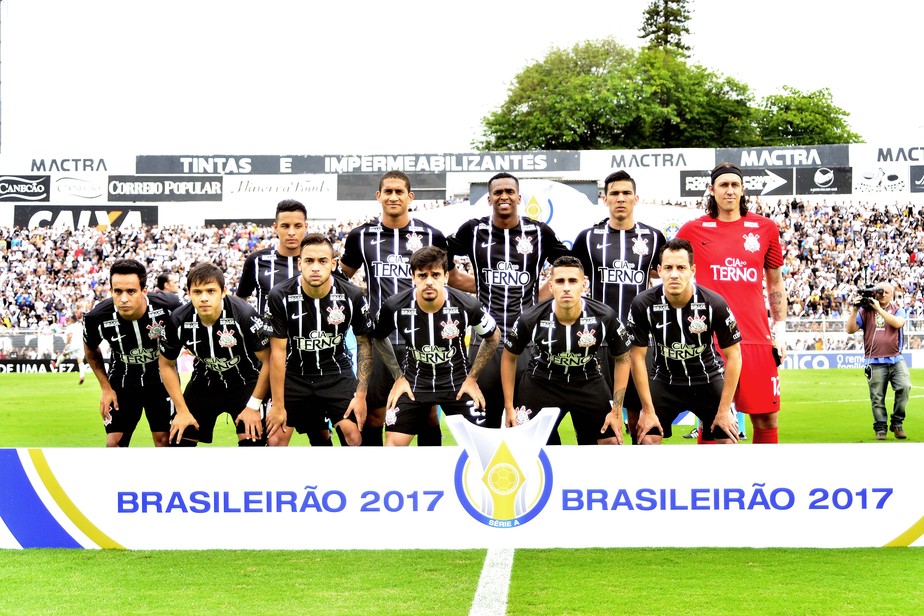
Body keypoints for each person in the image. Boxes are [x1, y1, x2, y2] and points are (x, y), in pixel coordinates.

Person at [339, 171, 472, 446]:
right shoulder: (361, 236)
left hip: (424, 341)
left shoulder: (431, 235)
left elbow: (453, 279)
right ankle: (378, 471)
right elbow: (341, 279)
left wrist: (489, 288)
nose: (393, 197)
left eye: (399, 191)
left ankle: (429, 471)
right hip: (381, 341)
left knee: (428, 415)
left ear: (410, 197)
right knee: (375, 415)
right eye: (388, 191)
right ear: (378, 196)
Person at [447, 171, 570, 429]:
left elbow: (569, 266)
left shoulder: (539, 232)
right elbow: (441, 259)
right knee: (484, 419)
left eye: (509, 192)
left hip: (527, 341)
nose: (504, 196)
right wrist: (481, 286)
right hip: (484, 340)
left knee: (529, 420)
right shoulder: (473, 230)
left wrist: (540, 296)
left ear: (519, 198)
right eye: (498, 192)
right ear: (489, 199)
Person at [676, 163, 786, 444]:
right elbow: (670, 270)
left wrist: (781, 330)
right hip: (709, 340)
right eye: (723, 185)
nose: (730, 190)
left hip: (755, 338)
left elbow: (775, 282)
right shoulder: (692, 230)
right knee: (713, 419)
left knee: (767, 418)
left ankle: (767, 473)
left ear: (743, 189)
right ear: (711, 190)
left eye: (735, 185)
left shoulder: (765, 228)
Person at [370, 246, 499, 446]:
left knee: (482, 446)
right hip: (414, 384)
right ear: (413, 277)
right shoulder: (394, 306)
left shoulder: (467, 305)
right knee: (392, 445)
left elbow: (493, 336)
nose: (429, 281)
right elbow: (377, 337)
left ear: (446, 277)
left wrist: (472, 378)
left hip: (458, 384)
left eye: (435, 275)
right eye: (422, 275)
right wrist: (398, 377)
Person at [572, 170, 666, 443]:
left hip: (640, 342)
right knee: (601, 426)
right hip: (598, 342)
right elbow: (570, 278)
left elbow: (669, 276)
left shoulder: (654, 238)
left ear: (636, 198)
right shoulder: (588, 238)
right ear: (605, 199)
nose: (621, 198)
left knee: (643, 426)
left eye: (626, 193)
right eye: (614, 193)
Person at [501, 256, 630, 445]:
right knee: (529, 443)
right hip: (542, 381)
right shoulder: (531, 318)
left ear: (583, 285)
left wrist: (617, 410)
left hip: (587, 379)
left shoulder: (605, 316)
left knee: (611, 440)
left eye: (573, 281)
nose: (567, 287)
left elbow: (623, 357)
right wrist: (509, 407)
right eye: (560, 281)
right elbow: (508, 357)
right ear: (551, 286)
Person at [628, 239, 742, 445]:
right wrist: (647, 410)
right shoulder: (643, 304)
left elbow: (734, 355)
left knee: (728, 438)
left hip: (708, 379)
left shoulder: (714, 303)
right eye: (668, 268)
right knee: (646, 438)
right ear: (659, 271)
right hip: (665, 381)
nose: (674, 274)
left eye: (681, 268)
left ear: (692, 271)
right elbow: (636, 357)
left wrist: (725, 410)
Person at [236, 199, 331, 446]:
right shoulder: (256, 261)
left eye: (298, 226)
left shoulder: (319, 262)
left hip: (310, 361)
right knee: (268, 434)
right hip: (268, 359)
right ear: (275, 227)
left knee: (319, 433)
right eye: (285, 226)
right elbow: (239, 302)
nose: (291, 232)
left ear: (306, 227)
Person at [264, 234, 373, 446]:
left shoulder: (352, 295)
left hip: (336, 373)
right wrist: (277, 405)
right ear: (299, 264)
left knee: (354, 436)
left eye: (322, 261)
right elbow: (277, 352)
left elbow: (364, 344)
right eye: (309, 261)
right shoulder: (280, 295)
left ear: (333, 264)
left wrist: (360, 396)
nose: (315, 267)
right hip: (294, 374)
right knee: (275, 439)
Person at [159, 262, 270, 446]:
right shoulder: (178, 319)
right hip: (204, 383)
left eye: (211, 291)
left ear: (223, 291)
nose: (204, 298)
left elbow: (268, 360)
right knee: (179, 438)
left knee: (253, 440)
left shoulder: (244, 314)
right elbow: (166, 363)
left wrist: (253, 407)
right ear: (188, 293)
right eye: (197, 292)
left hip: (246, 382)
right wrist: (182, 410)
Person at [83, 259, 182, 447]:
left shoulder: (169, 306)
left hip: (161, 381)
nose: (123, 299)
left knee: (164, 441)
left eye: (131, 291)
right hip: (122, 381)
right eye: (117, 291)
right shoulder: (97, 317)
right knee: (114, 444)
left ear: (144, 291)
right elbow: (90, 347)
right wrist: (105, 388)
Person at [845, 282, 909, 440]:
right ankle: (880, 428)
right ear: (875, 293)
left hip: (895, 358)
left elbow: (898, 323)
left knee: (904, 387)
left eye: (887, 292)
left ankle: (897, 423)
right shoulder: (865, 310)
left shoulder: (897, 309)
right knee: (877, 397)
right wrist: (855, 310)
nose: (883, 294)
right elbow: (850, 329)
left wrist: (879, 309)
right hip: (874, 360)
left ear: (892, 294)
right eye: (880, 292)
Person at [55, 313, 89, 384]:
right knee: (80, 360)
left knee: (64, 353)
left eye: (69, 319)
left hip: (73, 344)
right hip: (81, 344)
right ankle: (82, 376)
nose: (68, 320)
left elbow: (70, 336)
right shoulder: (80, 325)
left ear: (71, 319)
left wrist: (67, 344)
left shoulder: (70, 327)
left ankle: (56, 365)